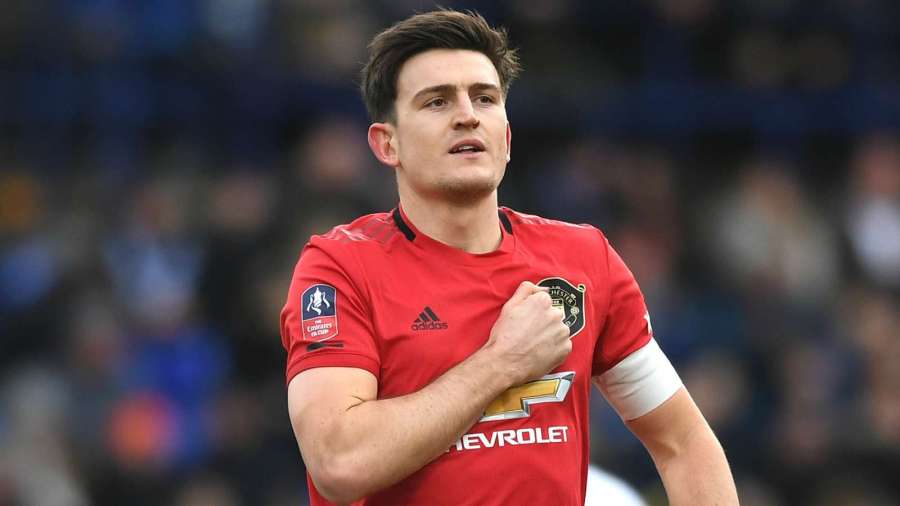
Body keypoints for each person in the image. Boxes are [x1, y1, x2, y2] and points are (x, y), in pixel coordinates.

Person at [281, 9, 739, 505]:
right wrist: (502, 362)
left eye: (484, 98)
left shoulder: (582, 259)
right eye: (437, 101)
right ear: (387, 143)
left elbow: (683, 442)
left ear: (507, 136)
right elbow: (340, 462)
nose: (467, 115)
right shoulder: (341, 267)